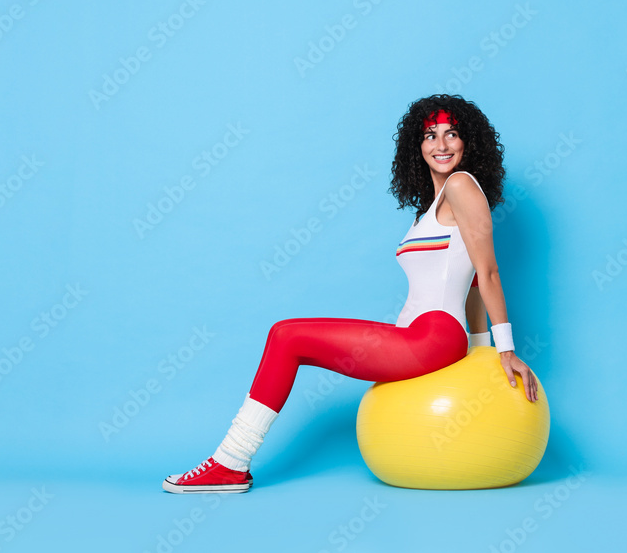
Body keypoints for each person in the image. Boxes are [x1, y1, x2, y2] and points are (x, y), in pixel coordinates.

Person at [162, 94, 538, 494]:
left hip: (433, 337)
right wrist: (478, 348)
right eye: (430, 135)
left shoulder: (462, 186)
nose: (441, 145)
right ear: (417, 145)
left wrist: (499, 350)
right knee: (287, 336)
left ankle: (229, 463)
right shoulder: (433, 207)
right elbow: (471, 280)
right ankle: (229, 465)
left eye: (452, 134)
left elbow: (487, 272)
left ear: (469, 143)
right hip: (420, 335)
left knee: (286, 336)